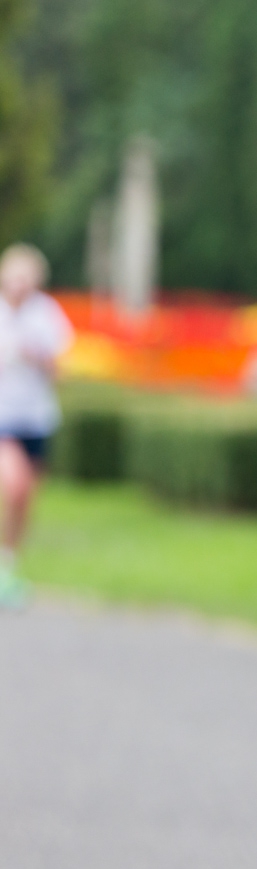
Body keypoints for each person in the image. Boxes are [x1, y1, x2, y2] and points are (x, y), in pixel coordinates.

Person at [0, 244, 73, 610]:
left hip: (36, 417)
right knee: (14, 485)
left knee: (25, 499)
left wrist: (34, 356)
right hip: (3, 417)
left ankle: (9, 564)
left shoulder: (45, 314)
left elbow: (60, 367)